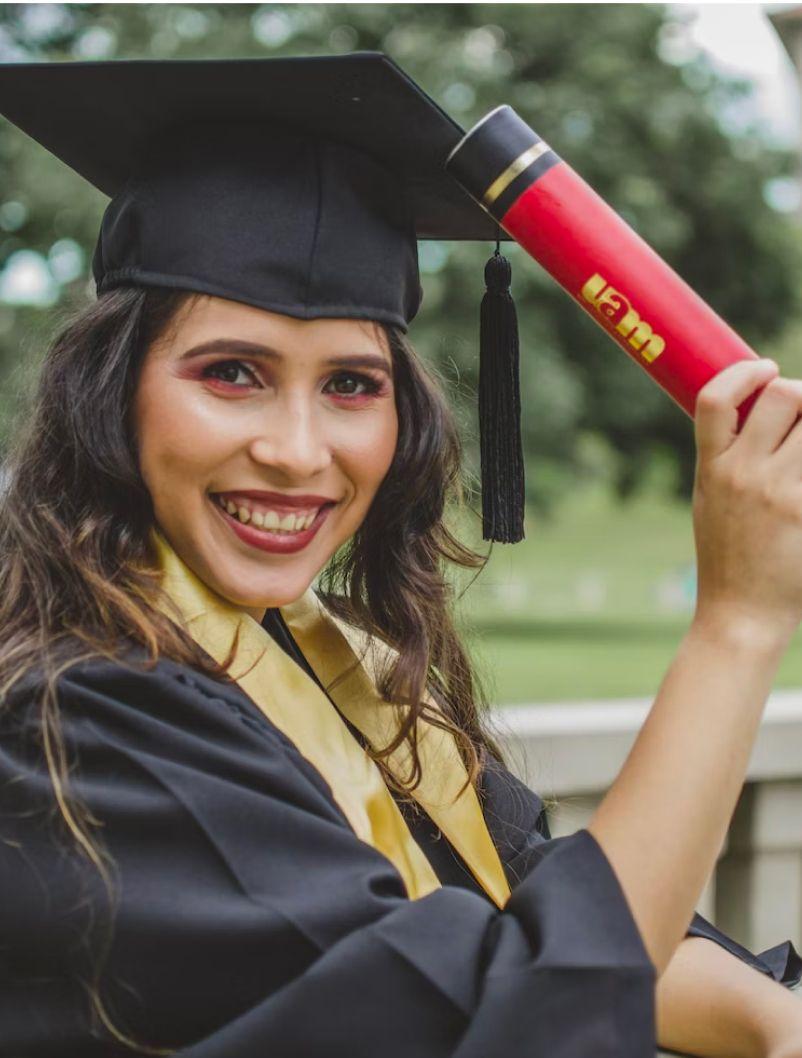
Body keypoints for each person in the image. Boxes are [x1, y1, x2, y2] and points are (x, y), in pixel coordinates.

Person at [0, 51, 801, 1058]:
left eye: (350, 384)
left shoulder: (336, 667)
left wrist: (778, 1016)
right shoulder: (77, 722)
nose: (298, 451)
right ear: (111, 397)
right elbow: (506, 1012)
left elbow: (538, 902)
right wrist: (738, 621)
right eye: (232, 373)